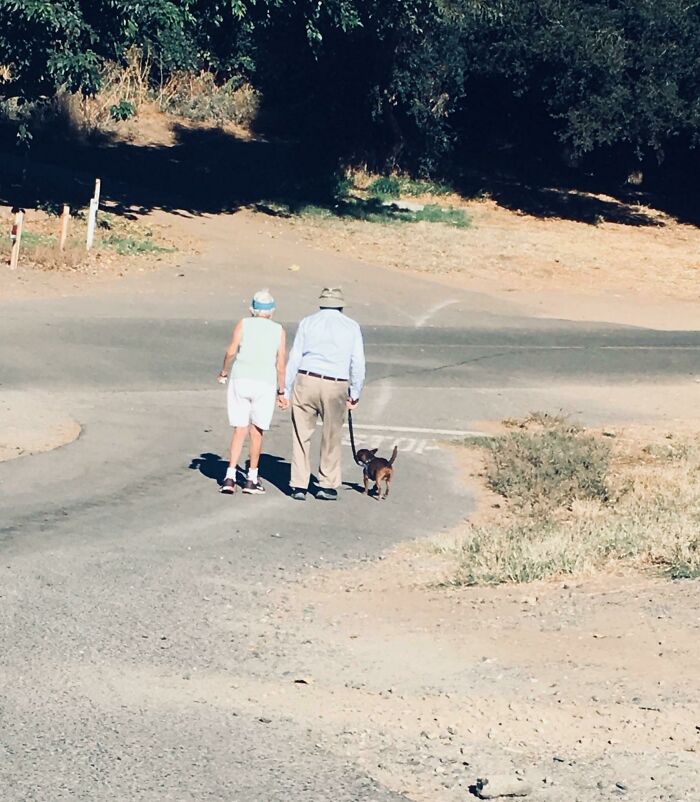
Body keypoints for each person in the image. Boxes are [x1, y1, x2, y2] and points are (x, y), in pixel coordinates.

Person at [284, 287, 365, 501]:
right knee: (332, 435)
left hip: (306, 379)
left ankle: (299, 484)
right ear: (341, 304)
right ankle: (326, 483)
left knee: (301, 434)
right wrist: (355, 391)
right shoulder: (351, 326)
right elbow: (357, 362)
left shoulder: (308, 322)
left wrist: (285, 387)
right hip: (335, 383)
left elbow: (295, 356)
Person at [217, 289, 288, 495]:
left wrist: (223, 372)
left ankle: (229, 476)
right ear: (272, 311)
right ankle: (252, 478)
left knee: (239, 428)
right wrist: (281, 391)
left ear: (252, 309)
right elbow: (280, 363)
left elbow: (231, 351)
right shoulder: (278, 330)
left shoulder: (244, 324)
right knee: (257, 430)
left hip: (241, 378)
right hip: (264, 383)